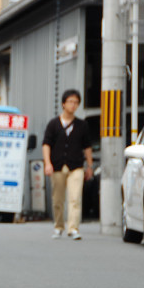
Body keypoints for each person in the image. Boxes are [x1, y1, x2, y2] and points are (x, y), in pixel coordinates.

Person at [42, 89, 93, 240]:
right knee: (57, 199)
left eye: (76, 102)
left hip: (76, 166)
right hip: (57, 166)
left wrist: (89, 166)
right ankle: (58, 226)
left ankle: (73, 228)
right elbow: (46, 144)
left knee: (75, 198)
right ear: (63, 104)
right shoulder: (53, 124)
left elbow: (87, 147)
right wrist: (47, 163)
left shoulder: (82, 125)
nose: (73, 105)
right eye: (70, 102)